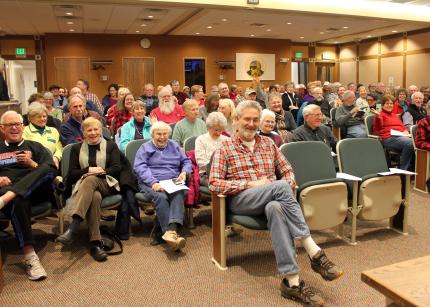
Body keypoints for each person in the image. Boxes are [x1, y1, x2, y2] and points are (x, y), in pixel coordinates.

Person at [209, 100, 343, 306]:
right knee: (279, 187)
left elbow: (287, 171)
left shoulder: (268, 144)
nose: (252, 124)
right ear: (236, 121)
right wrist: (251, 183)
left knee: (277, 207)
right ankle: (314, 251)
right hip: (243, 199)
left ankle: (292, 282)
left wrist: (287, 182)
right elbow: (214, 183)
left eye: (256, 120)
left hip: (272, 198)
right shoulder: (224, 148)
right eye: (247, 119)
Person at [0, 110, 57, 280]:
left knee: (48, 166)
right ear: (2, 128)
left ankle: (7, 198)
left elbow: (51, 171)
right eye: (10, 125)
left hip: (36, 191)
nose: (15, 128)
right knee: (19, 198)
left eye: (18, 124)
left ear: (23, 127)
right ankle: (30, 255)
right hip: (7, 189)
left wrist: (32, 163)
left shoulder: (35, 146)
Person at [57, 117, 122, 261]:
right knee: (95, 197)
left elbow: (117, 168)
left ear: (101, 130)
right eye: (89, 130)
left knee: (91, 179)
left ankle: (74, 226)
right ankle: (95, 243)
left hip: (108, 183)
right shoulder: (76, 148)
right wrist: (88, 169)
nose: (93, 133)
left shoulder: (111, 146)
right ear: (84, 133)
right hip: (85, 188)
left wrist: (101, 171)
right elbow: (72, 173)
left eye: (95, 129)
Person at [134, 121, 192, 250]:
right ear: (152, 135)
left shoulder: (174, 145)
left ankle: (171, 230)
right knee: (161, 197)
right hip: (151, 182)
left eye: (165, 134)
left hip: (172, 180)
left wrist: (184, 172)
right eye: (158, 134)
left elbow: (186, 161)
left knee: (178, 193)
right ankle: (170, 232)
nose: (162, 137)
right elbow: (139, 167)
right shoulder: (145, 148)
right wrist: (153, 182)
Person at [372, 95, 414, 170]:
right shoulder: (380, 115)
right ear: (383, 105)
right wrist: (377, 117)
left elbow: (402, 126)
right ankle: (403, 169)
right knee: (410, 143)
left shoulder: (394, 116)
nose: (389, 105)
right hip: (388, 138)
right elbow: (377, 128)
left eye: (391, 103)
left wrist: (405, 131)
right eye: (387, 103)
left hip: (400, 136)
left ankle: (414, 169)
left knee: (416, 141)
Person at [23, 102, 62, 169]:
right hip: (32, 166)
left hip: (51, 164)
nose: (42, 119)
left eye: (44, 116)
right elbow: (24, 150)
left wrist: (56, 157)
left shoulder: (53, 131)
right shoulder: (24, 131)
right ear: (30, 118)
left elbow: (59, 148)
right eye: (39, 117)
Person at [195, 112, 229, 186]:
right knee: (220, 185)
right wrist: (217, 168)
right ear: (209, 127)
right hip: (206, 174)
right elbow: (201, 161)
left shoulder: (227, 140)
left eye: (221, 130)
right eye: (216, 130)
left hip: (225, 173)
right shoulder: (201, 139)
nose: (219, 133)